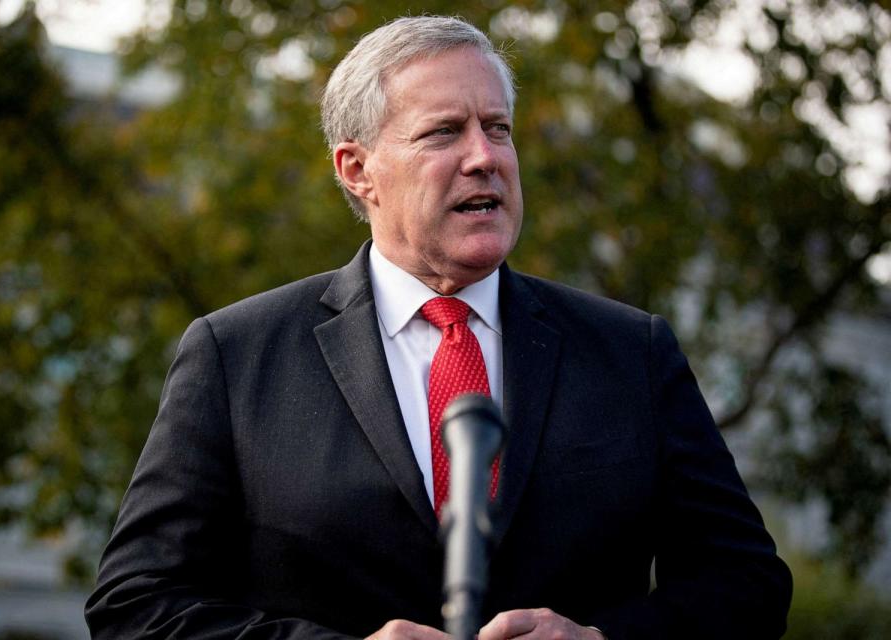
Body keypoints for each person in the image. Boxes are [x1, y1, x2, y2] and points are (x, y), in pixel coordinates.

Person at [85, 15, 791, 640]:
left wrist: (600, 638)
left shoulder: (630, 351)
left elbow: (748, 586)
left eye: (499, 128)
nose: (485, 156)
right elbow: (135, 604)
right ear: (358, 170)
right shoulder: (236, 356)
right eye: (444, 132)